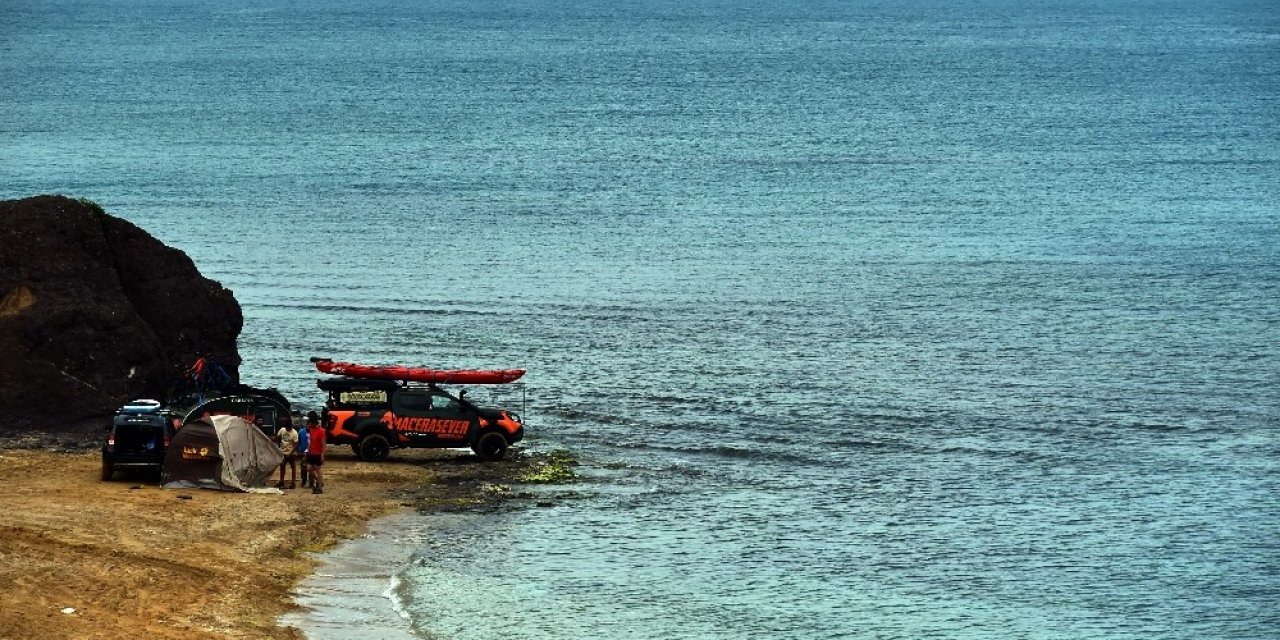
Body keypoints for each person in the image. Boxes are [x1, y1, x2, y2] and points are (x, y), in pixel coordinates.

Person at [304, 411, 326, 494]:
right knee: (309, 469)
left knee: (318, 469)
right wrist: (308, 450)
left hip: (318, 454)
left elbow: (323, 444)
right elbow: (311, 441)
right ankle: (320, 481)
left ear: (312, 422)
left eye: (308, 423)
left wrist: (322, 455)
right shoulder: (311, 430)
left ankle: (320, 486)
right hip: (312, 453)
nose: (307, 425)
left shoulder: (321, 431)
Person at [275, 418, 300, 489]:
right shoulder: (282, 430)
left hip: (291, 453)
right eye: (287, 427)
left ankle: (293, 482)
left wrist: (291, 453)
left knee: (293, 467)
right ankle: (281, 481)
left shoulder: (294, 433)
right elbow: (278, 438)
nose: (288, 428)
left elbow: (295, 445)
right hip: (283, 452)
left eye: (289, 427)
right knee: (282, 467)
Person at [297, 416, 312, 487]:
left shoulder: (314, 432)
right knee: (303, 468)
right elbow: (299, 442)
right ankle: (304, 480)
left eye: (309, 424)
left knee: (312, 467)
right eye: (307, 423)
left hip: (312, 453)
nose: (308, 425)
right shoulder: (301, 432)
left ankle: (311, 481)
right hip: (304, 453)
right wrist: (299, 451)